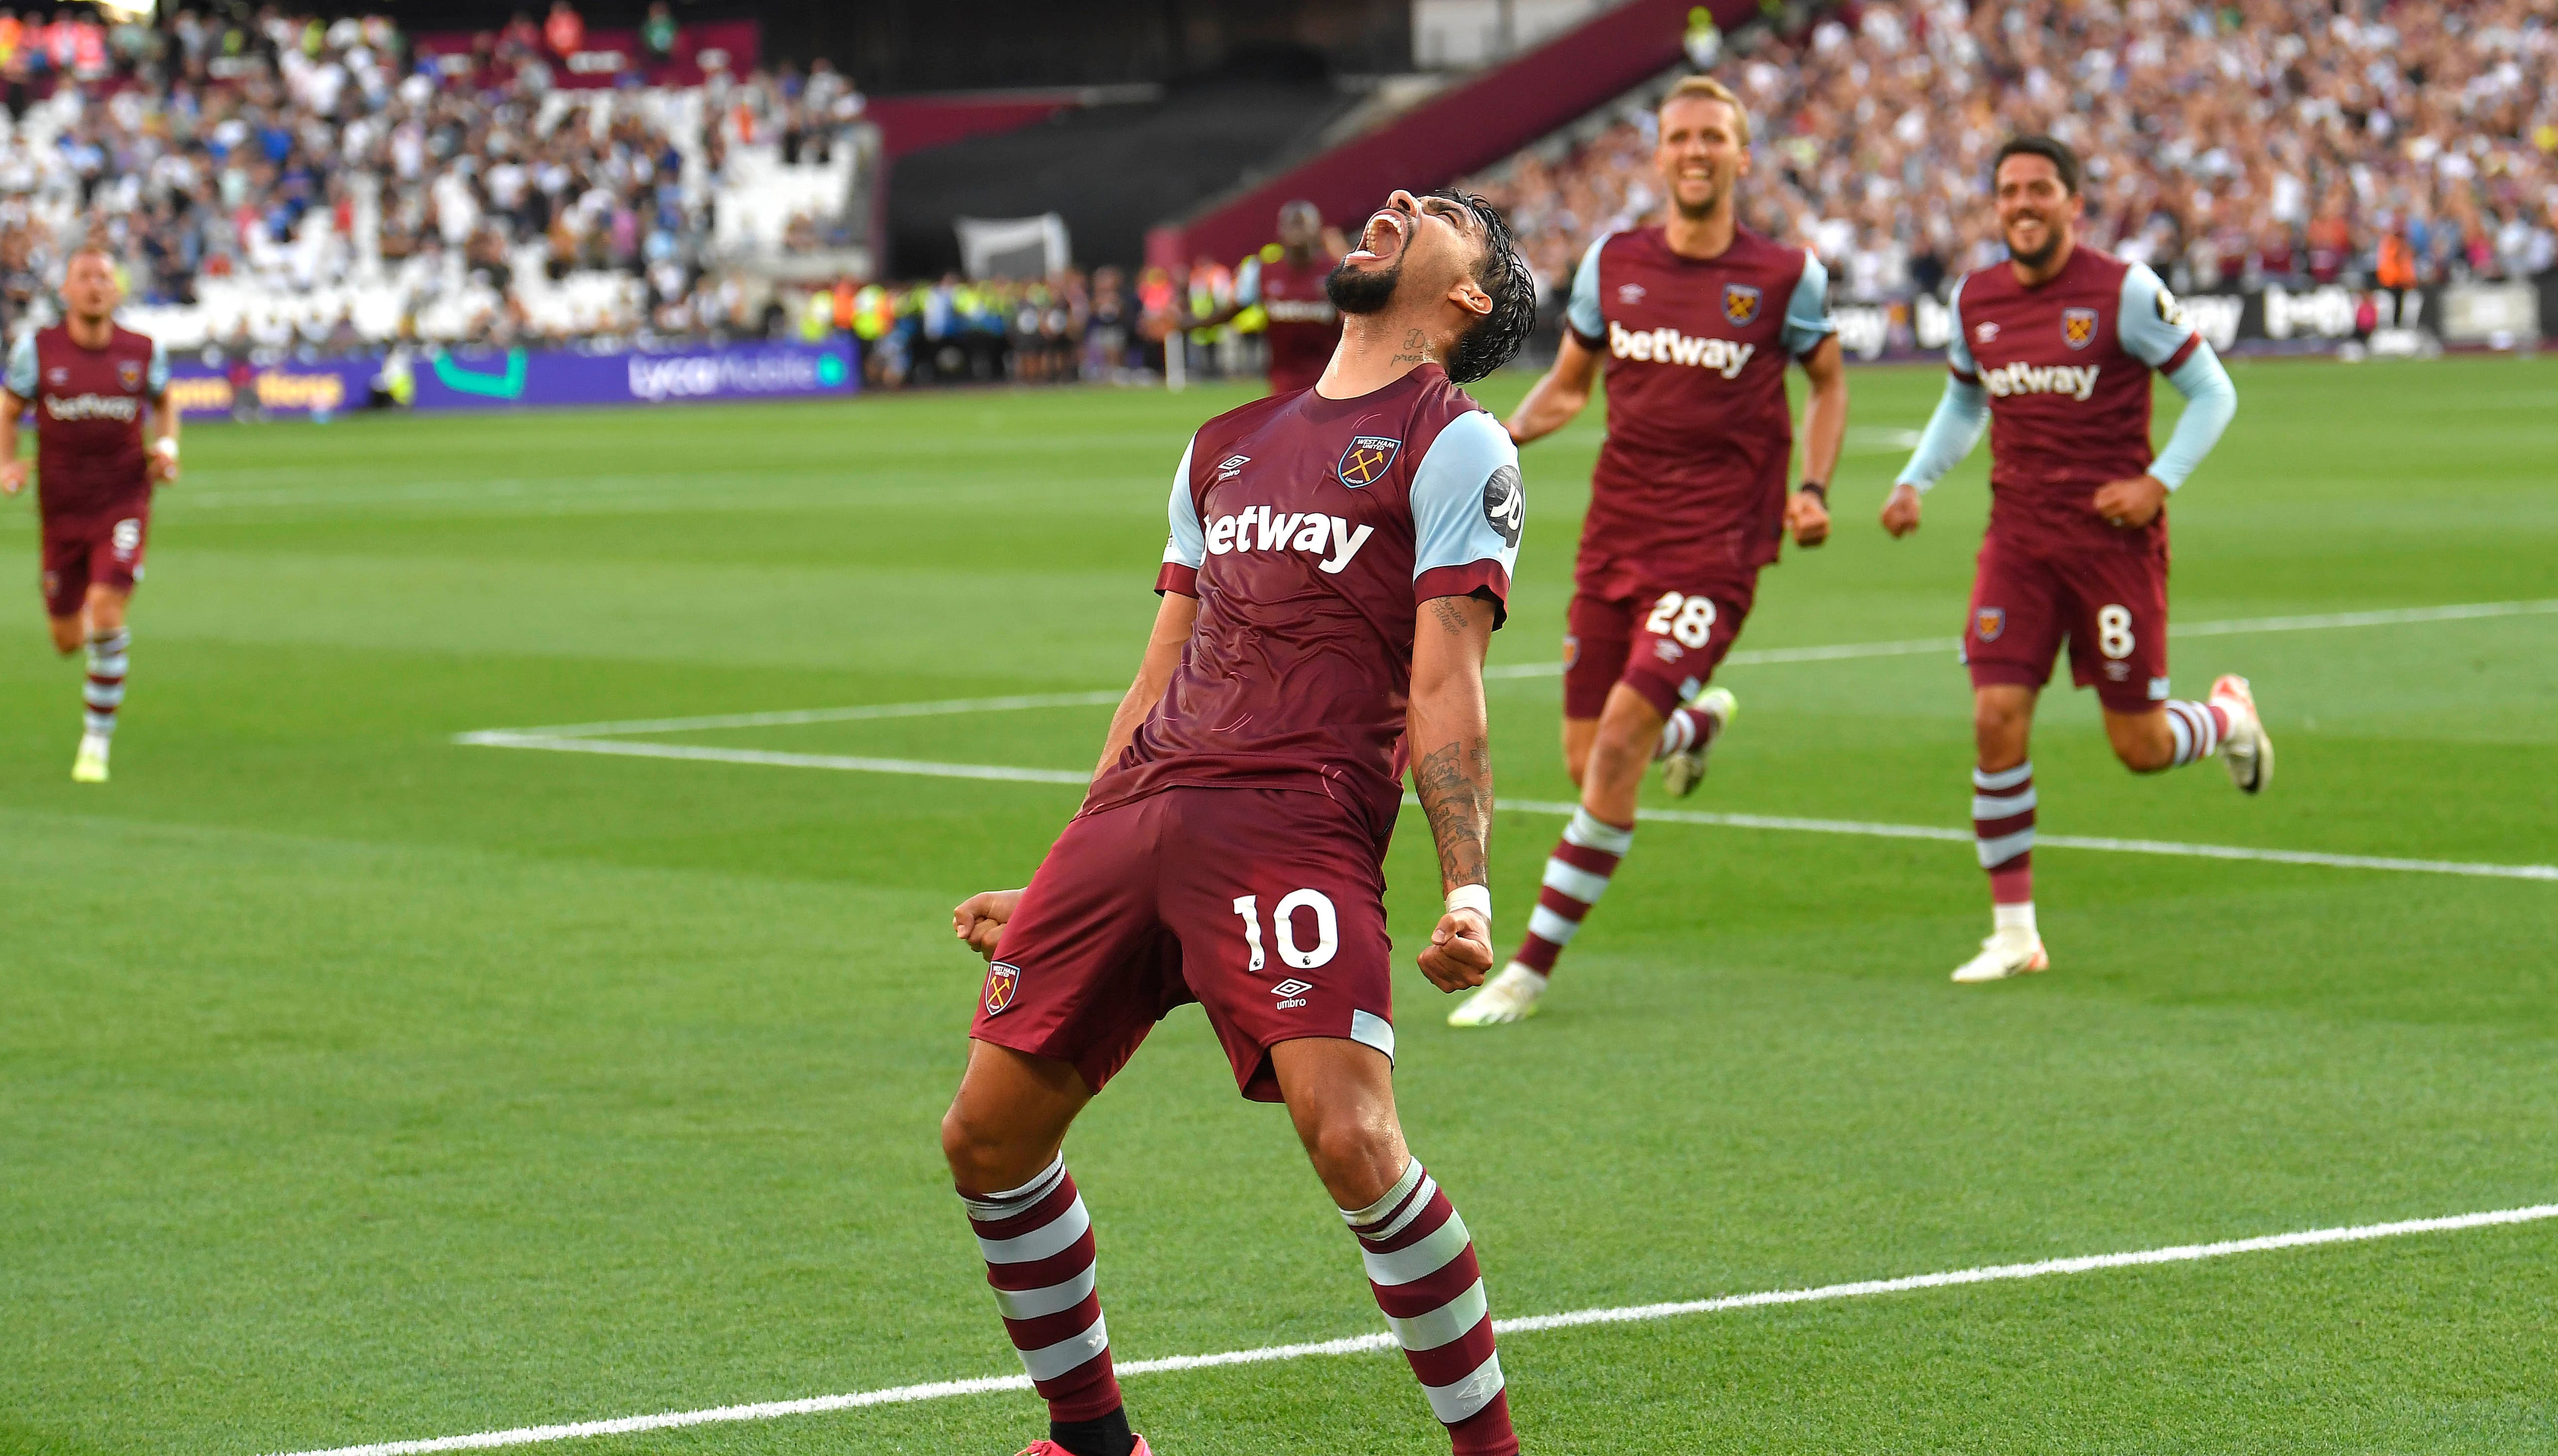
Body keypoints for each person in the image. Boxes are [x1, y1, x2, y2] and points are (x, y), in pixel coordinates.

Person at [942, 187, 1536, 1456]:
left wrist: (1469, 884)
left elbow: (1447, 683)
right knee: (987, 1136)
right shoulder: (1220, 442)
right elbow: (1155, 676)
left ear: (1467, 298)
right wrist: (1058, 879)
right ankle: (1093, 1440)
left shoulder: (1458, 441)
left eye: (1433, 214)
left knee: (1353, 1135)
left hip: (1292, 820)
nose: (1393, 204)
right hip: (1145, 808)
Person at [1450, 75, 1845, 1028]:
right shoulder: (1614, 263)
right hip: (1616, 535)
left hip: (1718, 544)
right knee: (1591, 757)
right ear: (1660, 154)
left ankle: (1529, 967)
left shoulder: (1787, 276)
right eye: (1680, 136)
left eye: (1715, 136)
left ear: (1743, 156)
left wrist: (1813, 488)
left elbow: (1827, 385)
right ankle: (1691, 728)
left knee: (1619, 742)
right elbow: (1571, 387)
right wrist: (1495, 435)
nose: (1697, 150)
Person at [1877, 135, 2258, 984]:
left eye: (2040, 189)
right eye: (2009, 189)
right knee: (1995, 717)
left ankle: (2229, 718)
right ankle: (2015, 933)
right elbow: (1963, 401)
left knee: (2142, 745)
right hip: (2018, 543)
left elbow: (2212, 391)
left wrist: (2158, 482)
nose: (2022, 203)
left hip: (2112, 548)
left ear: (2072, 204)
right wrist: (1915, 481)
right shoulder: (1978, 299)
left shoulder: (2122, 291)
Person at [0, 246, 178, 783]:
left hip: (123, 500)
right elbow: (6, 416)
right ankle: (96, 699)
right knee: (67, 639)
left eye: (104, 277)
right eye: (84, 277)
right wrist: (7, 466)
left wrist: (167, 450)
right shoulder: (38, 351)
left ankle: (96, 742)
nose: (95, 285)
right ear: (66, 290)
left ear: (117, 290)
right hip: (60, 510)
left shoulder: (142, 350)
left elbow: (165, 402)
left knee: (106, 604)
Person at [1234, 199, 1345, 395]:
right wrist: (1181, 323)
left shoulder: (1338, 271)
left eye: (1303, 223)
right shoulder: (1261, 272)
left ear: (1318, 230)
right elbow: (1232, 310)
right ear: (1279, 230)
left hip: (1331, 384)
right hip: (1282, 386)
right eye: (1291, 223)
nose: (1297, 229)